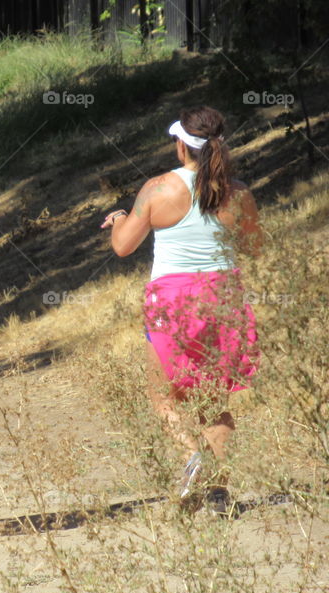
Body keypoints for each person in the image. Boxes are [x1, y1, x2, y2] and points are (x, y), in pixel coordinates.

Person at [101, 106, 261, 512]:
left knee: (164, 397)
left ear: (180, 146)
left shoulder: (158, 189)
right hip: (223, 296)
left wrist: (120, 218)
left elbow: (123, 247)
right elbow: (255, 246)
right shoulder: (239, 192)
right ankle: (220, 492)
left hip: (172, 299)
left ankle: (193, 457)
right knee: (214, 400)